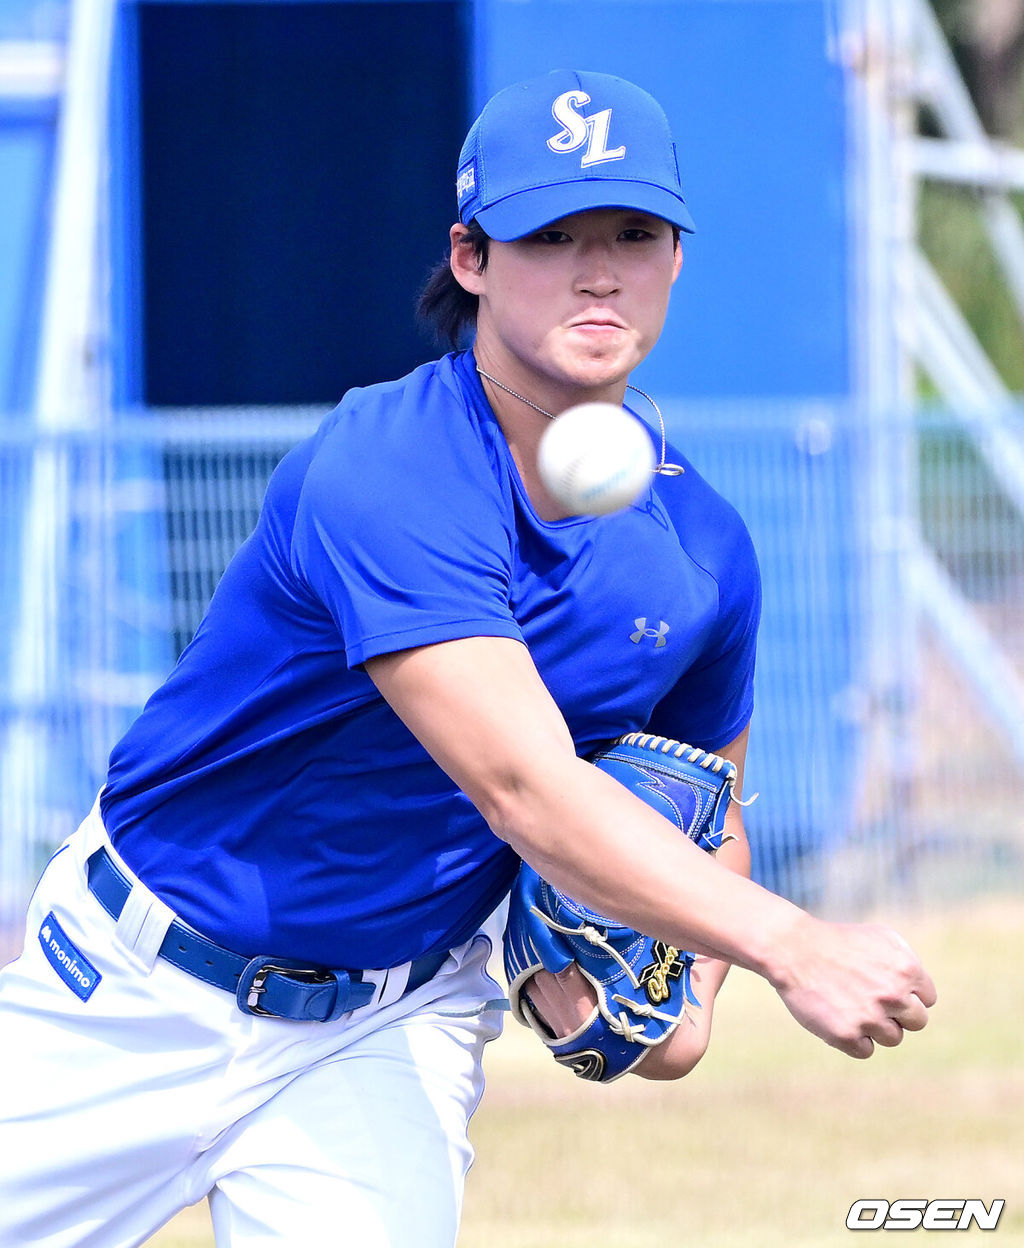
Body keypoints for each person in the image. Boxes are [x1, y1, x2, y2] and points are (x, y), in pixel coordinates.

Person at [0, 69, 935, 1248]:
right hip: (134, 993)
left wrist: (679, 1010)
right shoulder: (387, 467)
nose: (598, 270)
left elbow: (708, 801)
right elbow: (524, 788)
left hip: (384, 1031)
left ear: (676, 260)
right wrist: (792, 942)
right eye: (549, 234)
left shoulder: (700, 549)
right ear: (472, 257)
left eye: (633, 233)